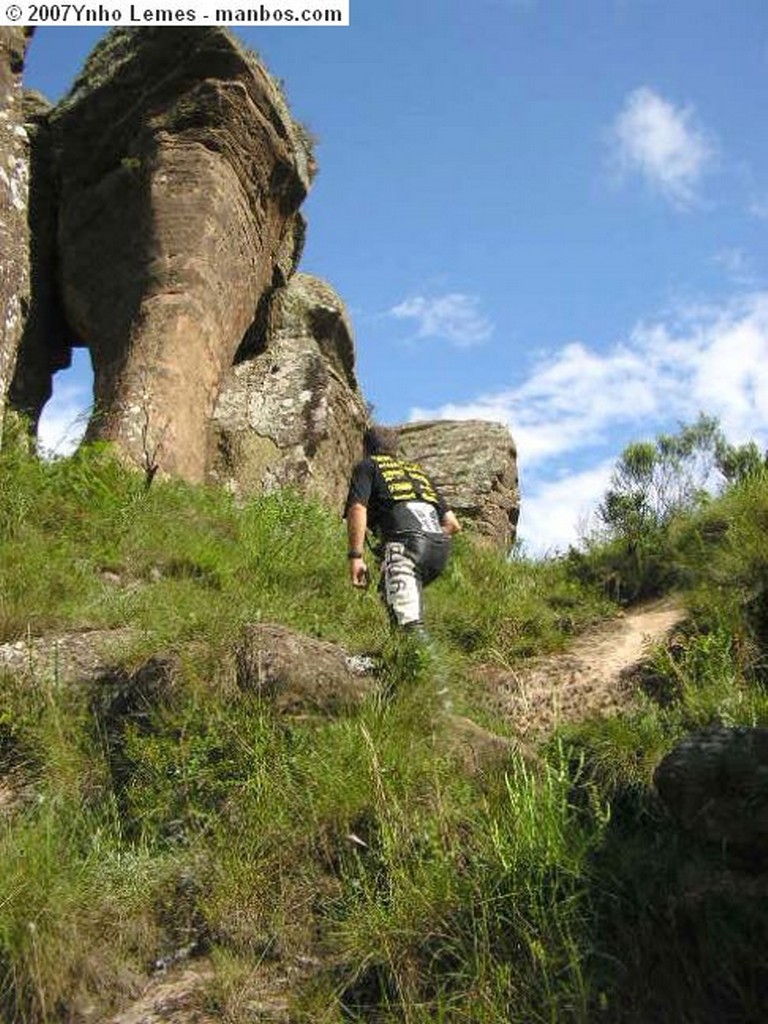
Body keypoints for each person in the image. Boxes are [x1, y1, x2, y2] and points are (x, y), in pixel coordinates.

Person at [344, 425, 461, 635]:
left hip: (405, 546)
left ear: (365, 448)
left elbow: (358, 507)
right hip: (438, 550)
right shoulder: (417, 472)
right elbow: (453, 524)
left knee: (410, 627)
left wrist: (356, 556)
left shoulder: (368, 466)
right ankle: (398, 662)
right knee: (389, 596)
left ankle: (433, 667)